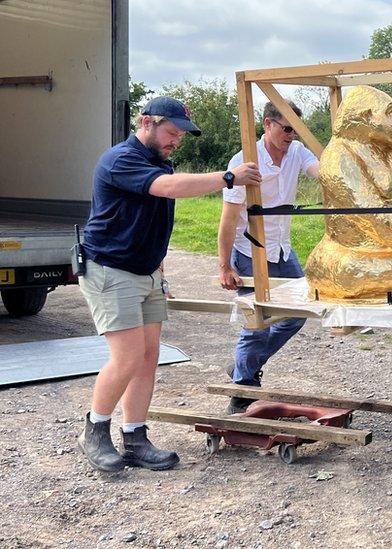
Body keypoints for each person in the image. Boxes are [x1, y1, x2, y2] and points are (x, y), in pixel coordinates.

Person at [77, 96, 262, 472]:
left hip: (144, 273)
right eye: (171, 132)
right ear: (146, 122)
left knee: (148, 358)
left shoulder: (159, 161)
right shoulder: (122, 160)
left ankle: (135, 438)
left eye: (180, 135)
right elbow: (168, 188)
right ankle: (94, 431)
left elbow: (151, 222)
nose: (176, 140)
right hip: (111, 270)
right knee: (127, 357)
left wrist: (158, 273)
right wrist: (228, 177)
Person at [218, 100, 319, 414]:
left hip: (281, 248)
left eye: (295, 130)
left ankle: (242, 367)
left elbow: (320, 172)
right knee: (257, 322)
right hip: (250, 250)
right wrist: (224, 265)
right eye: (286, 128)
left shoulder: (298, 151)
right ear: (268, 124)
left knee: (298, 313)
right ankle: (242, 391)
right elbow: (228, 219)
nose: (290, 136)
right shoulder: (246, 162)